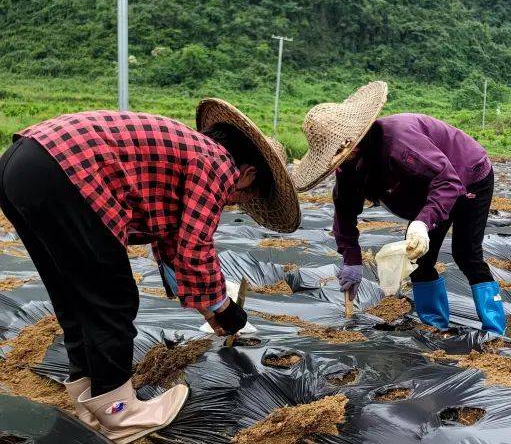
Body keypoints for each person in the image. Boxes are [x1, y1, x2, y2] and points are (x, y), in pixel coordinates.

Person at [0, 102, 298, 443]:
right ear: (248, 173)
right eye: (241, 197)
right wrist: (224, 308)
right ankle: (120, 413)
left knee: (73, 293)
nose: (231, 202)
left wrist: (207, 306)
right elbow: (195, 247)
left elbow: (172, 246)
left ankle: (88, 392)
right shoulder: (218, 163)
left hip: (21, 163)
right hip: (68, 169)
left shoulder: (190, 150)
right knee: (113, 297)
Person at [291, 81, 505, 334]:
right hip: (430, 189)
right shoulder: (348, 166)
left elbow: (447, 181)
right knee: (417, 257)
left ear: (354, 140)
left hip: (469, 175)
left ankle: (495, 329)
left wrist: (421, 222)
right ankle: (435, 328)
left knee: (466, 253)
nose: (338, 161)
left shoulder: (398, 141)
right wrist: (351, 260)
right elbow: (344, 210)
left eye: (339, 153)